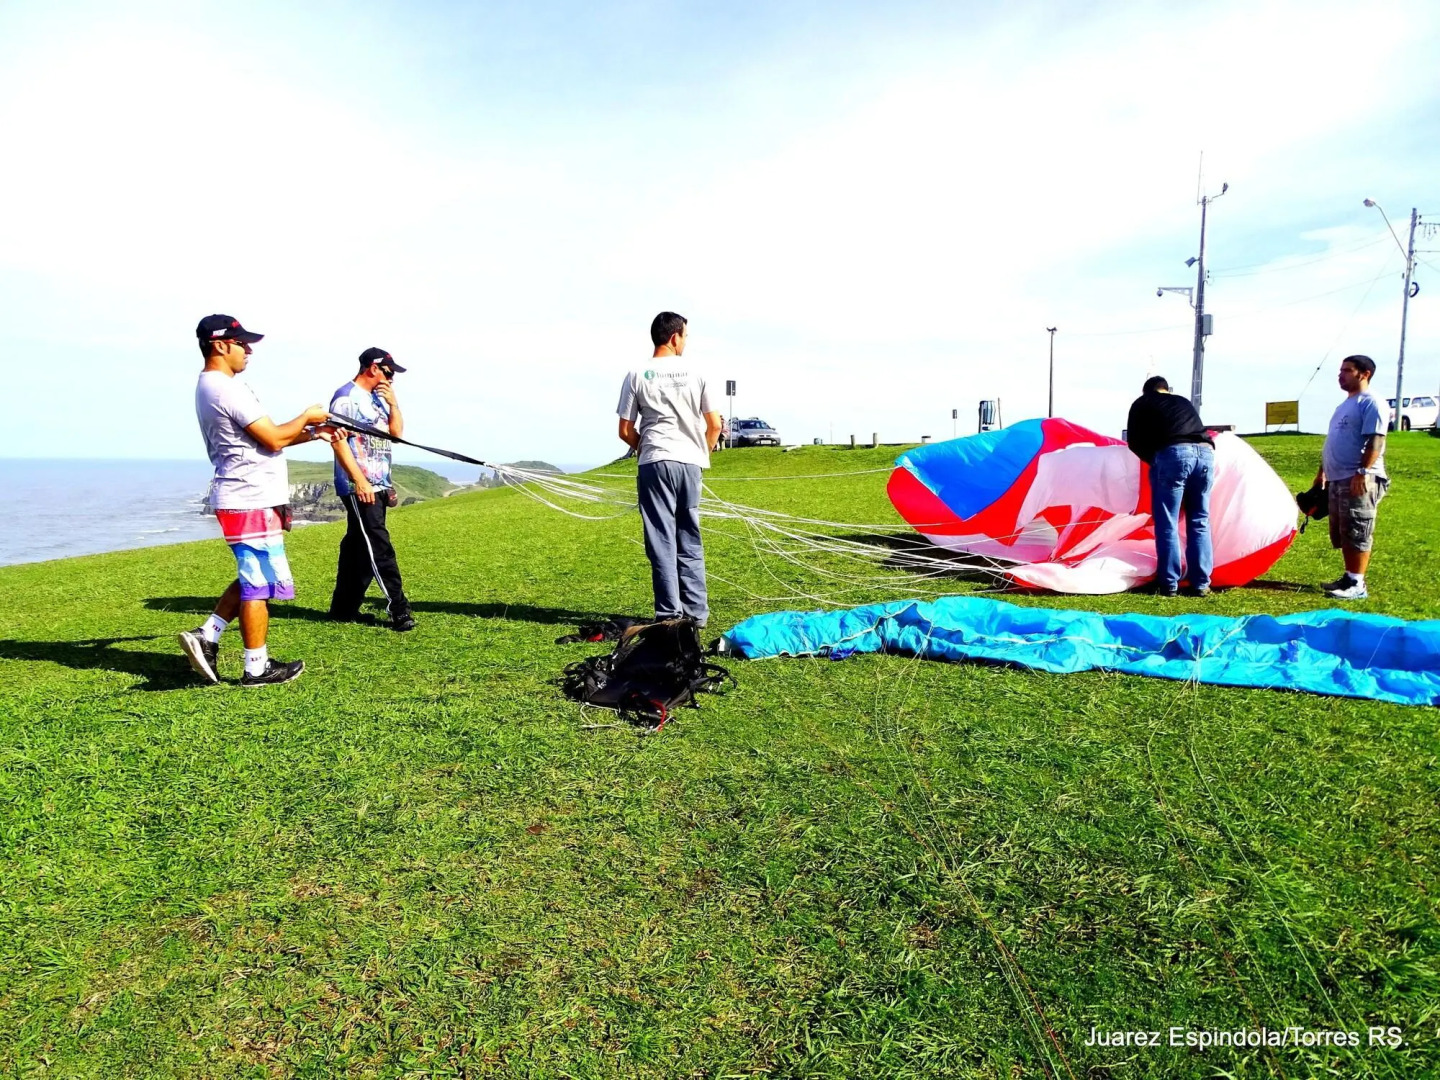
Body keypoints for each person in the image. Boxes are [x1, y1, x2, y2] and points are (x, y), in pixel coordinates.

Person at [179, 314, 334, 686]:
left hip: (248, 499)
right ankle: (256, 667)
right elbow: (275, 438)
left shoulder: (216, 386)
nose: (248, 350)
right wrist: (307, 416)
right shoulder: (225, 388)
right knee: (258, 585)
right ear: (219, 345)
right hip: (248, 500)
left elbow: (267, 438)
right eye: (241, 343)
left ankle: (208, 635)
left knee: (254, 577)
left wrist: (314, 432)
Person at [616, 312, 724, 624]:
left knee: (661, 539)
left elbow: (625, 430)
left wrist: (645, 447)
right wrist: (701, 453)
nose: (686, 342)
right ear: (674, 337)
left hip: (654, 461)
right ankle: (696, 615)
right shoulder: (697, 372)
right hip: (690, 462)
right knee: (689, 535)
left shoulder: (637, 373)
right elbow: (714, 424)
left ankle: (669, 614)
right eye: (685, 336)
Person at [327, 347, 416, 631]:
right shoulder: (346, 399)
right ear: (373, 368)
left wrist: (394, 405)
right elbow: (338, 441)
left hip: (379, 483)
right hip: (359, 485)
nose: (391, 379)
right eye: (389, 372)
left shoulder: (377, 400)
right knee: (378, 545)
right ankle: (399, 609)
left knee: (358, 547)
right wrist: (360, 481)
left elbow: (396, 436)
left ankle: (343, 610)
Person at [1125, 375, 1215, 597]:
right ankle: (1201, 583)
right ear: (1166, 389)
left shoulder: (1142, 403)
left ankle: (1169, 583)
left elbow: (1134, 442)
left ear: (1147, 391)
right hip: (1206, 453)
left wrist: (1154, 461)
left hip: (1174, 453)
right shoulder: (1183, 401)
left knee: (1168, 522)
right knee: (1199, 520)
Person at [1314, 354, 1388, 600]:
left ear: (1364, 373)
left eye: (1347, 370)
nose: (1340, 375)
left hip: (1358, 477)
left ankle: (1357, 584)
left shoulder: (1371, 402)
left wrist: (1363, 472)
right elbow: (1333, 442)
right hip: (1338, 478)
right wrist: (1322, 472)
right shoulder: (1345, 404)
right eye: (1340, 370)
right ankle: (1348, 577)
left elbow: (1375, 440)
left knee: (1358, 527)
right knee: (1343, 531)